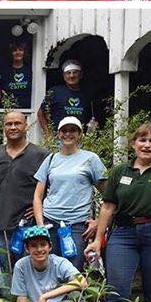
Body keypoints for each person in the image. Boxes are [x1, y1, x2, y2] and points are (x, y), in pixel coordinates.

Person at [89, 122, 151, 302]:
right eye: (142, 140)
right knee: (116, 289)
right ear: (133, 144)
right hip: (123, 234)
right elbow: (108, 207)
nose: (147, 145)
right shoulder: (120, 172)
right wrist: (97, 239)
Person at [31, 116, 106, 270]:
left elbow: (109, 196)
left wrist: (98, 222)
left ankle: (71, 296)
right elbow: (37, 196)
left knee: (73, 270)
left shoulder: (90, 159)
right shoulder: (51, 159)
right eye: (64, 131)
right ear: (58, 134)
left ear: (79, 134)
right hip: (50, 222)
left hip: (77, 225)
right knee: (49, 270)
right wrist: (40, 225)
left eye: (73, 130)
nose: (68, 134)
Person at [0, 110, 45, 270]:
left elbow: (51, 187)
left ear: (25, 126)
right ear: (3, 127)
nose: (13, 127)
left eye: (17, 123)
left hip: (28, 224)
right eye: (9, 124)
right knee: (2, 269)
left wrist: (41, 208)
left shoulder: (40, 155)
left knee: (28, 268)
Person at [9, 225, 86, 302]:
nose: (39, 249)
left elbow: (82, 282)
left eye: (43, 244)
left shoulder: (59, 263)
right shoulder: (21, 266)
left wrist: (44, 297)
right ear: (27, 249)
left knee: (76, 296)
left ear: (50, 247)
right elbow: (21, 300)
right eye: (33, 245)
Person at [47, 60, 90, 126]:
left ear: (81, 75)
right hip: (60, 135)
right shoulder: (55, 92)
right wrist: (48, 134)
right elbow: (41, 113)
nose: (71, 76)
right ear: (64, 76)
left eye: (75, 72)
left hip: (81, 135)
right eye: (68, 73)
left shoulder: (86, 94)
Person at [2, 42, 34, 109]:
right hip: (9, 107)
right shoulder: (5, 71)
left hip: (27, 108)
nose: (18, 52)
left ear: (24, 52)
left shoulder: (30, 69)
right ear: (11, 53)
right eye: (14, 50)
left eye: (20, 50)